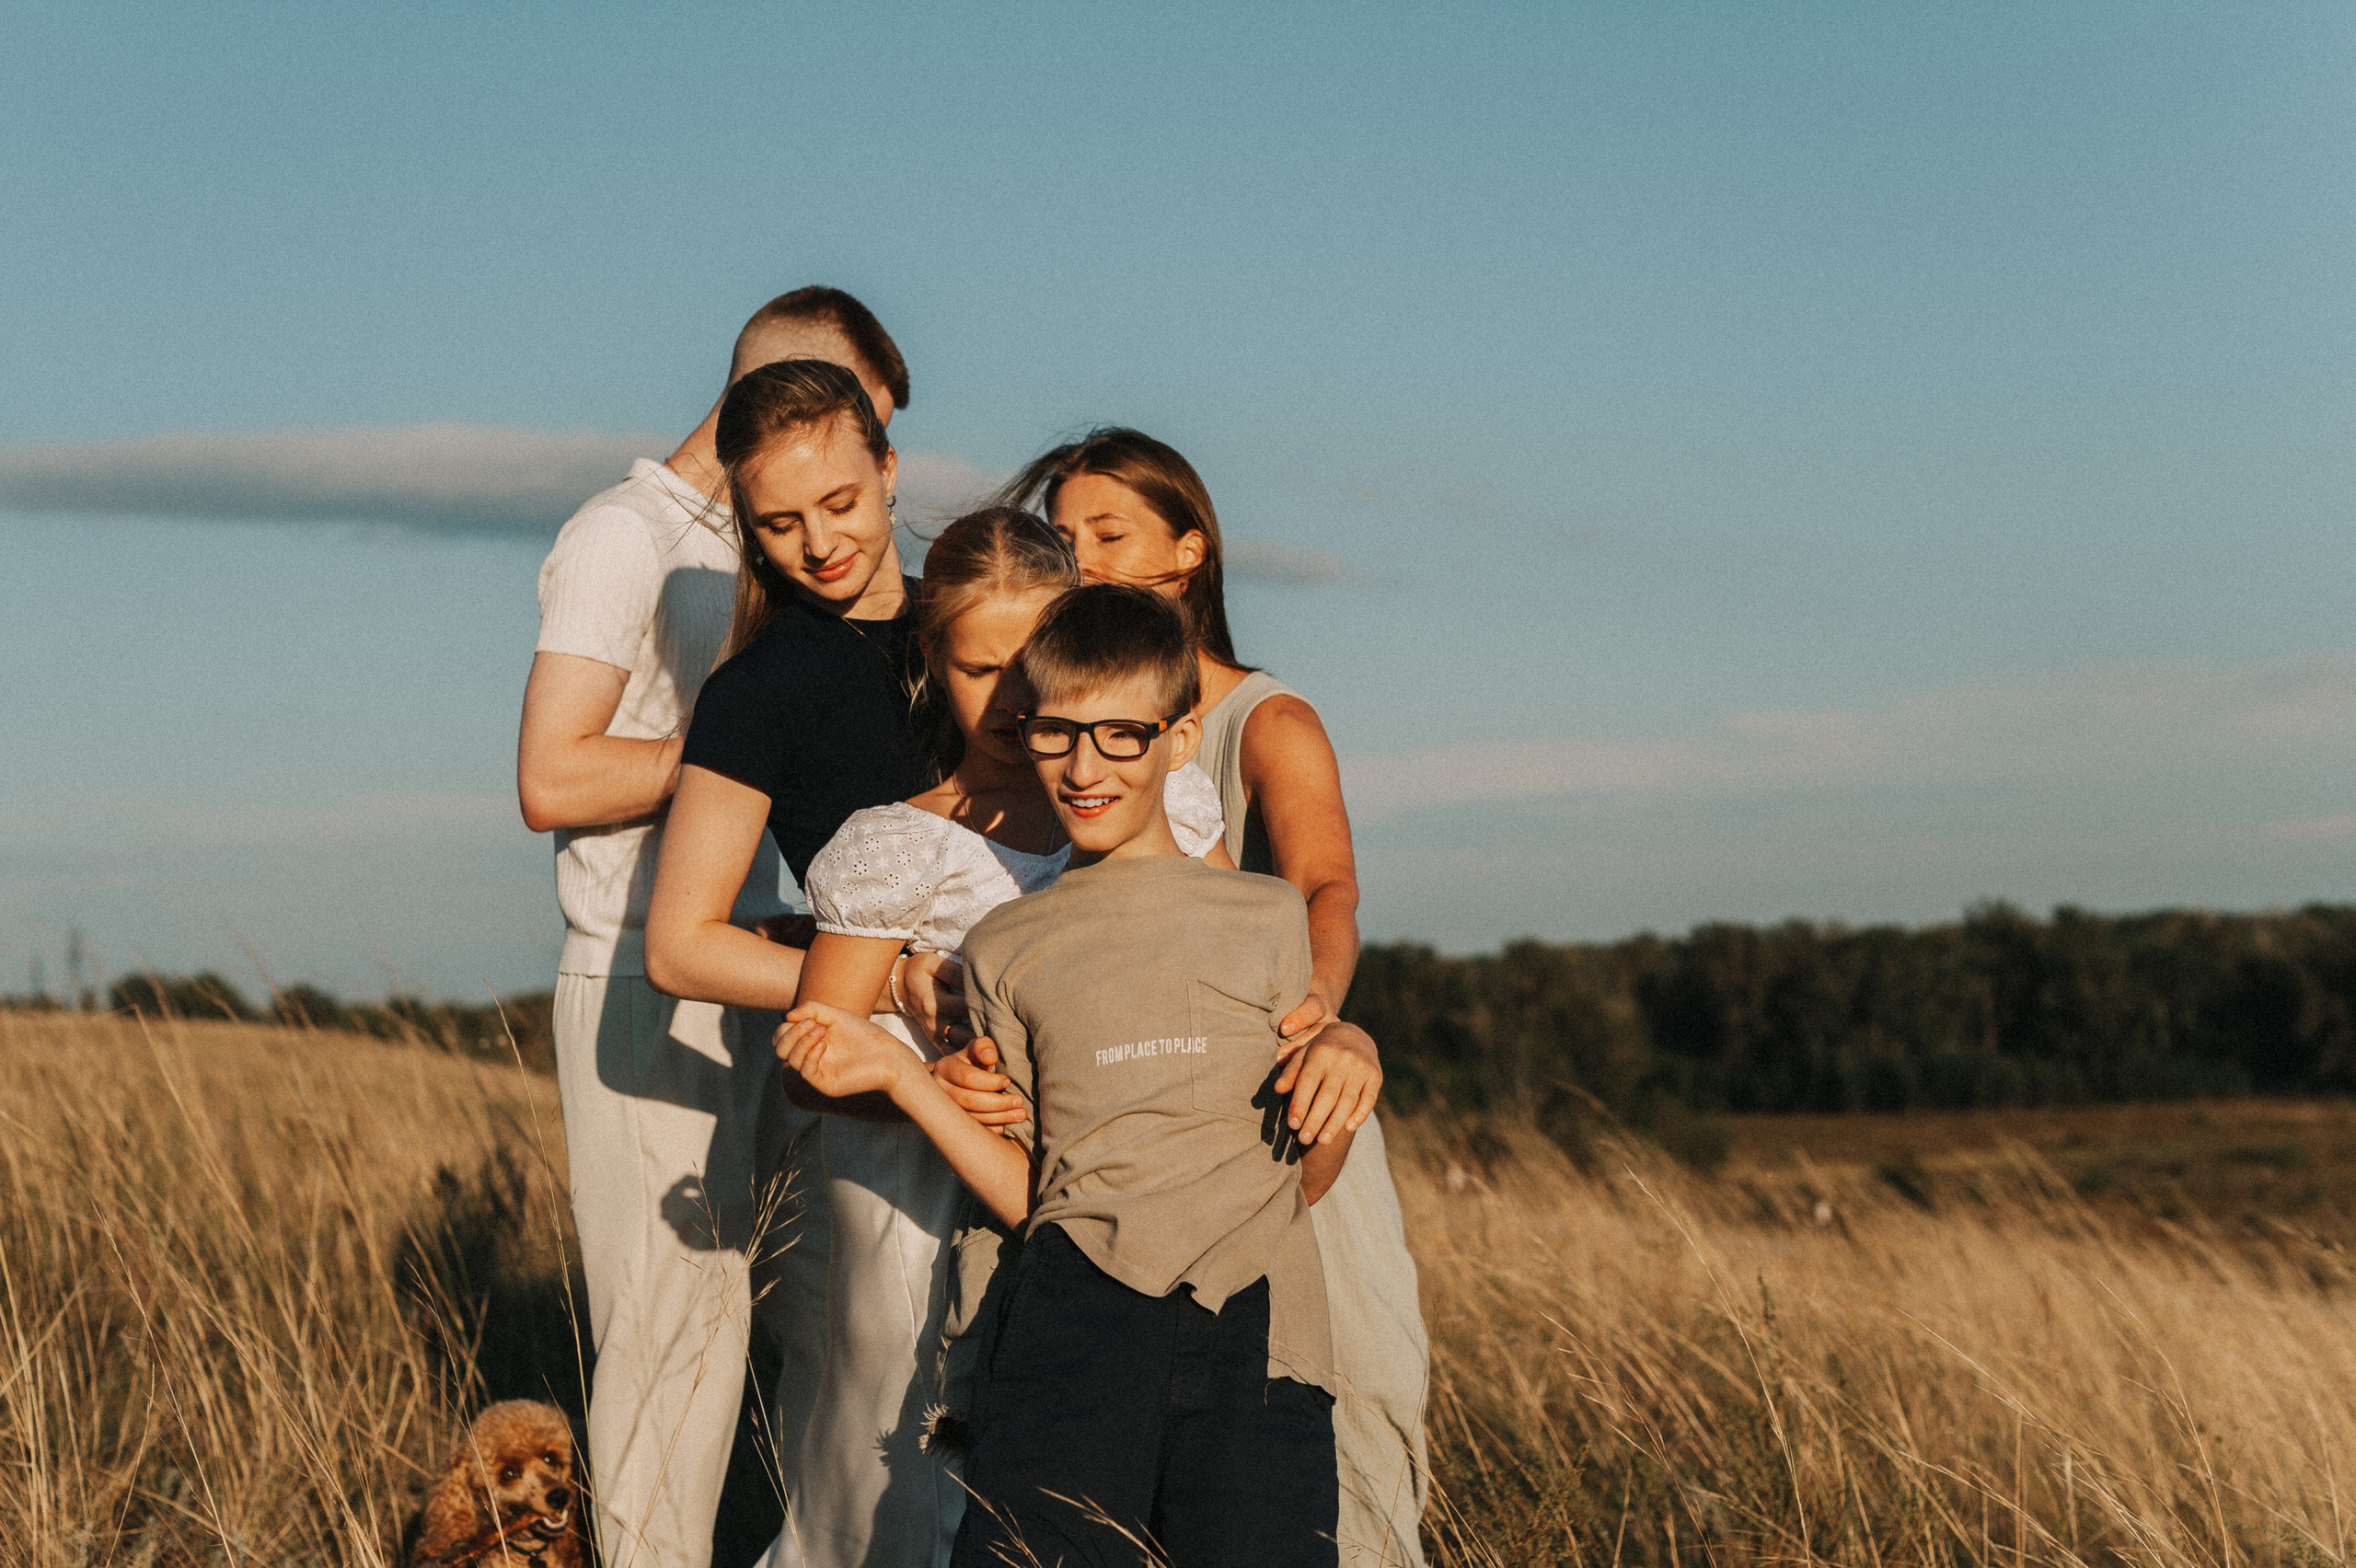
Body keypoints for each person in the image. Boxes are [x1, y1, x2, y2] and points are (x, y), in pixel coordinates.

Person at [775, 583, 1382, 1568]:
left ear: (1179, 742)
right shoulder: (1008, 945)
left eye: (1120, 737)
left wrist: (1352, 1053)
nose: (1085, 767)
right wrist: (901, 1075)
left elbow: (1301, 1176)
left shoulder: (1267, 918)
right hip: (1072, 1329)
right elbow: (1037, 1198)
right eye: (1059, 734)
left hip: (1259, 1334)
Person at [983, 428, 1434, 1567]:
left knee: (1345, 1394)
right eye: (1065, 537)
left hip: (1272, 1093)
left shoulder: (1261, 719)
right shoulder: (1070, 730)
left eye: (1109, 534)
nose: (1080, 559)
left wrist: (1318, 1024)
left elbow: (1326, 886)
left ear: (1187, 551)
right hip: (1114, 1138)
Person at [517, 290, 914, 1568]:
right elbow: (550, 779)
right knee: (673, 1346)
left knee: (823, 1319)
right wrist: (747, 748)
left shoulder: (754, 550)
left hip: (781, 967)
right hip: (646, 975)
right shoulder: (623, 536)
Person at [759, 510, 1230, 1568]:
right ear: (930, 658)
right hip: (922, 1210)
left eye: (1034, 667)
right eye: (981, 670)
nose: (1018, 705)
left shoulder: (1168, 805)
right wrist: (932, 1077)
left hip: (1117, 1196)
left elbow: (1222, 989)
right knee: (919, 1472)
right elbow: (814, 1065)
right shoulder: (895, 846)